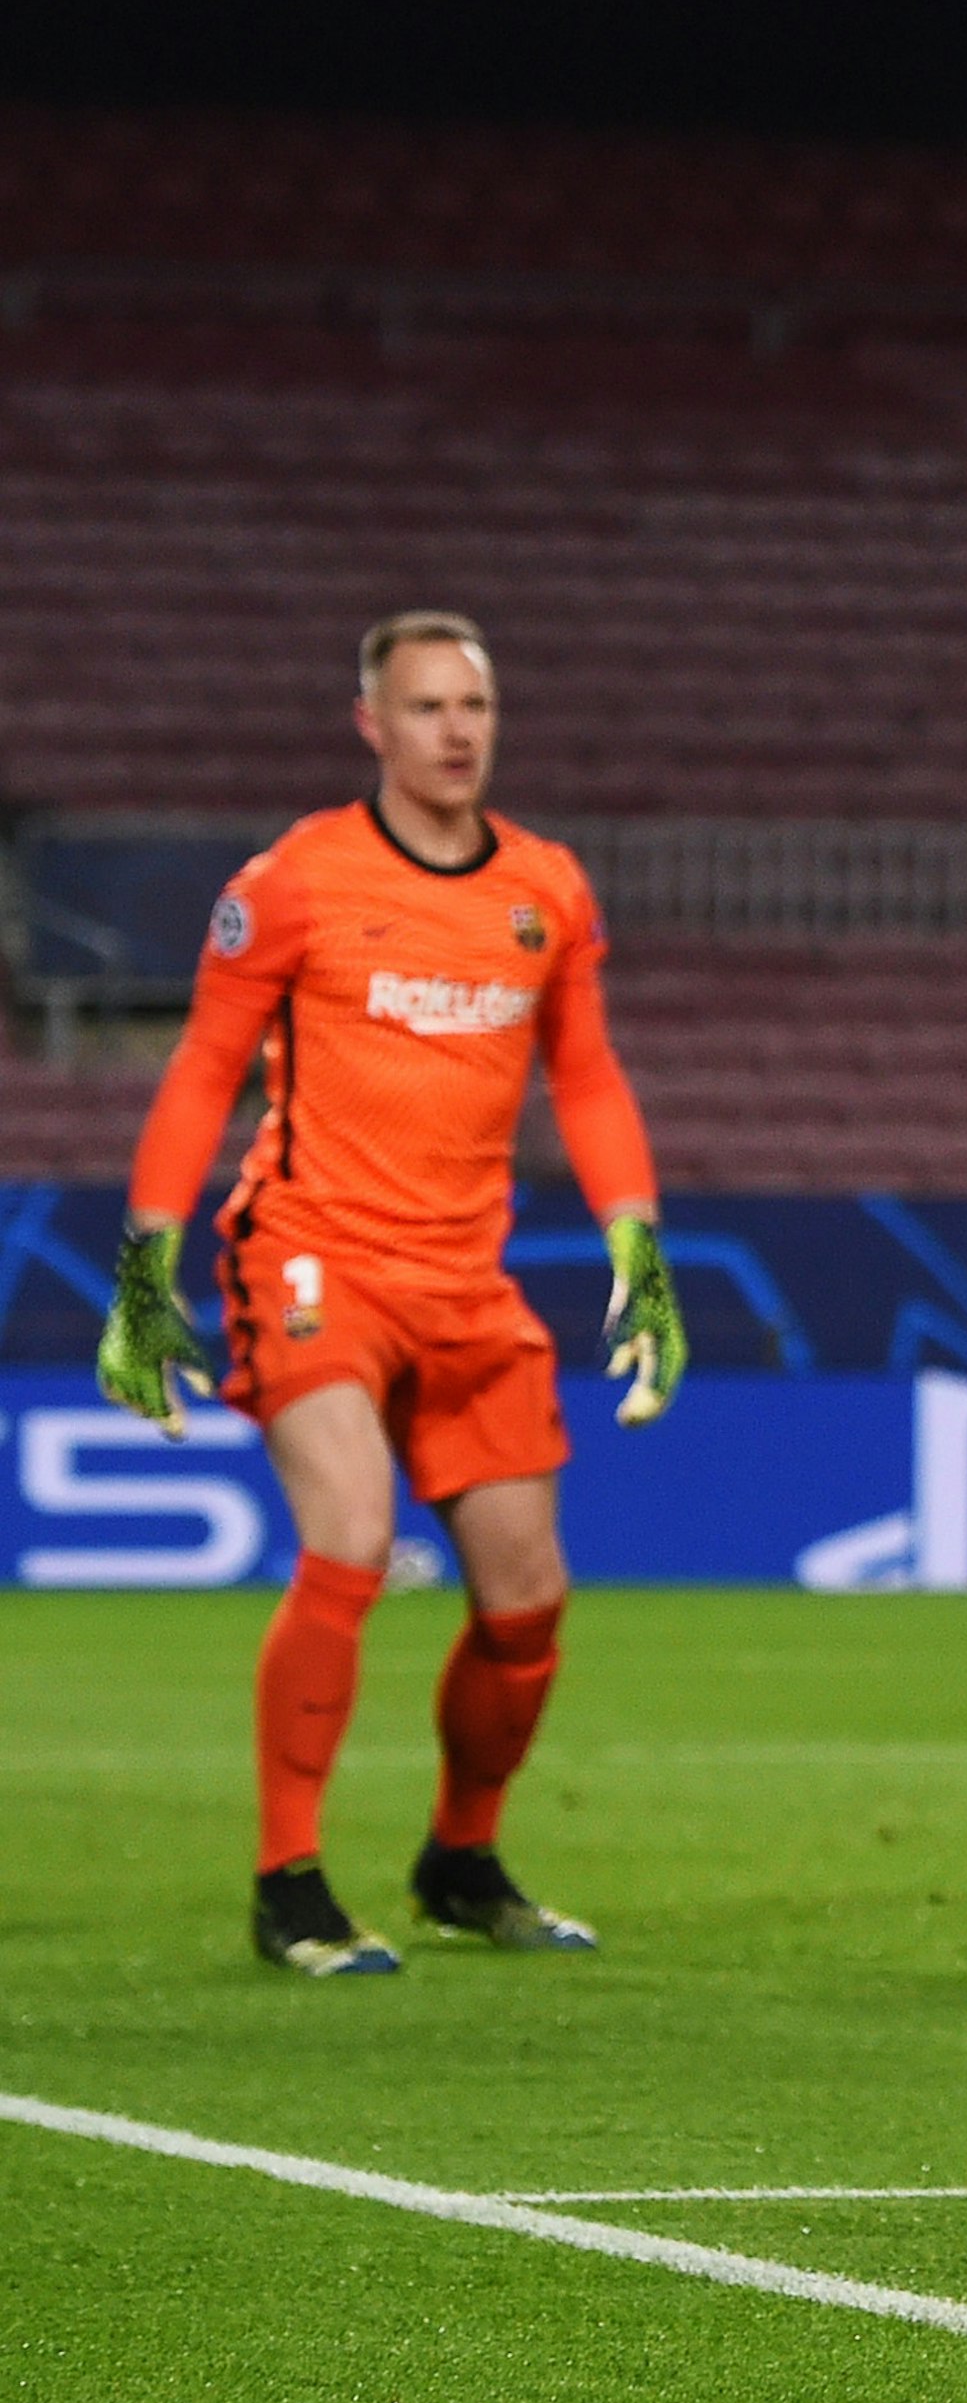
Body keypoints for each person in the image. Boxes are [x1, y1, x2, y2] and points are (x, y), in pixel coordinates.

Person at [97, 611, 686, 1979]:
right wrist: (143, 1266)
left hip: (466, 1275)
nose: (455, 730)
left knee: (527, 1599)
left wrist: (640, 1250)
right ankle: (288, 1883)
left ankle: (460, 1862)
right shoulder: (295, 881)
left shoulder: (545, 887)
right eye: (425, 707)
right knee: (353, 1535)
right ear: (372, 724)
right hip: (313, 1255)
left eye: (473, 704)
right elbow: (203, 1070)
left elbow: (586, 1075)